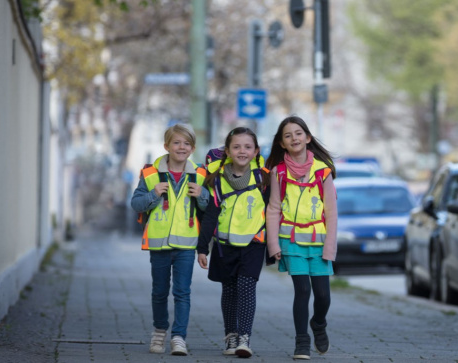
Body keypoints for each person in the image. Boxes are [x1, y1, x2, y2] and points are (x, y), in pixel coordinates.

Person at [131, 123, 209, 356]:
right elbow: (136, 204)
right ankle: (159, 332)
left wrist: (202, 195)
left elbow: (210, 209)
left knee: (182, 292)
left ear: (192, 148)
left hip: (186, 244)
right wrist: (154, 194)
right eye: (176, 142)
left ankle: (178, 337)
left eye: (186, 143)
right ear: (167, 146)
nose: (181, 147)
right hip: (159, 243)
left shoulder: (201, 174)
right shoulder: (150, 174)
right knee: (159, 291)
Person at [265, 115, 337, 360]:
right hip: (292, 241)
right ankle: (302, 342)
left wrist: (330, 247)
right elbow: (273, 209)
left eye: (298, 133)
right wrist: (273, 244)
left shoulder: (323, 172)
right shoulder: (279, 173)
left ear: (307, 137)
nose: (293, 138)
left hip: (319, 242)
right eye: (287, 135)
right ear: (282, 143)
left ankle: (318, 323)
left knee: (323, 296)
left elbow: (331, 213)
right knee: (302, 290)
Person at [197, 127, 271, 358]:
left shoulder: (264, 178)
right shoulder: (217, 181)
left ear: (256, 151)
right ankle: (230, 335)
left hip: (253, 244)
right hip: (224, 246)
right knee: (229, 291)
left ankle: (244, 338)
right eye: (236, 147)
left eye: (248, 147)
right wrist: (202, 248)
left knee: (247, 289)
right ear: (227, 151)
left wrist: (276, 246)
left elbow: (273, 211)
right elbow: (210, 215)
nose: (242, 151)